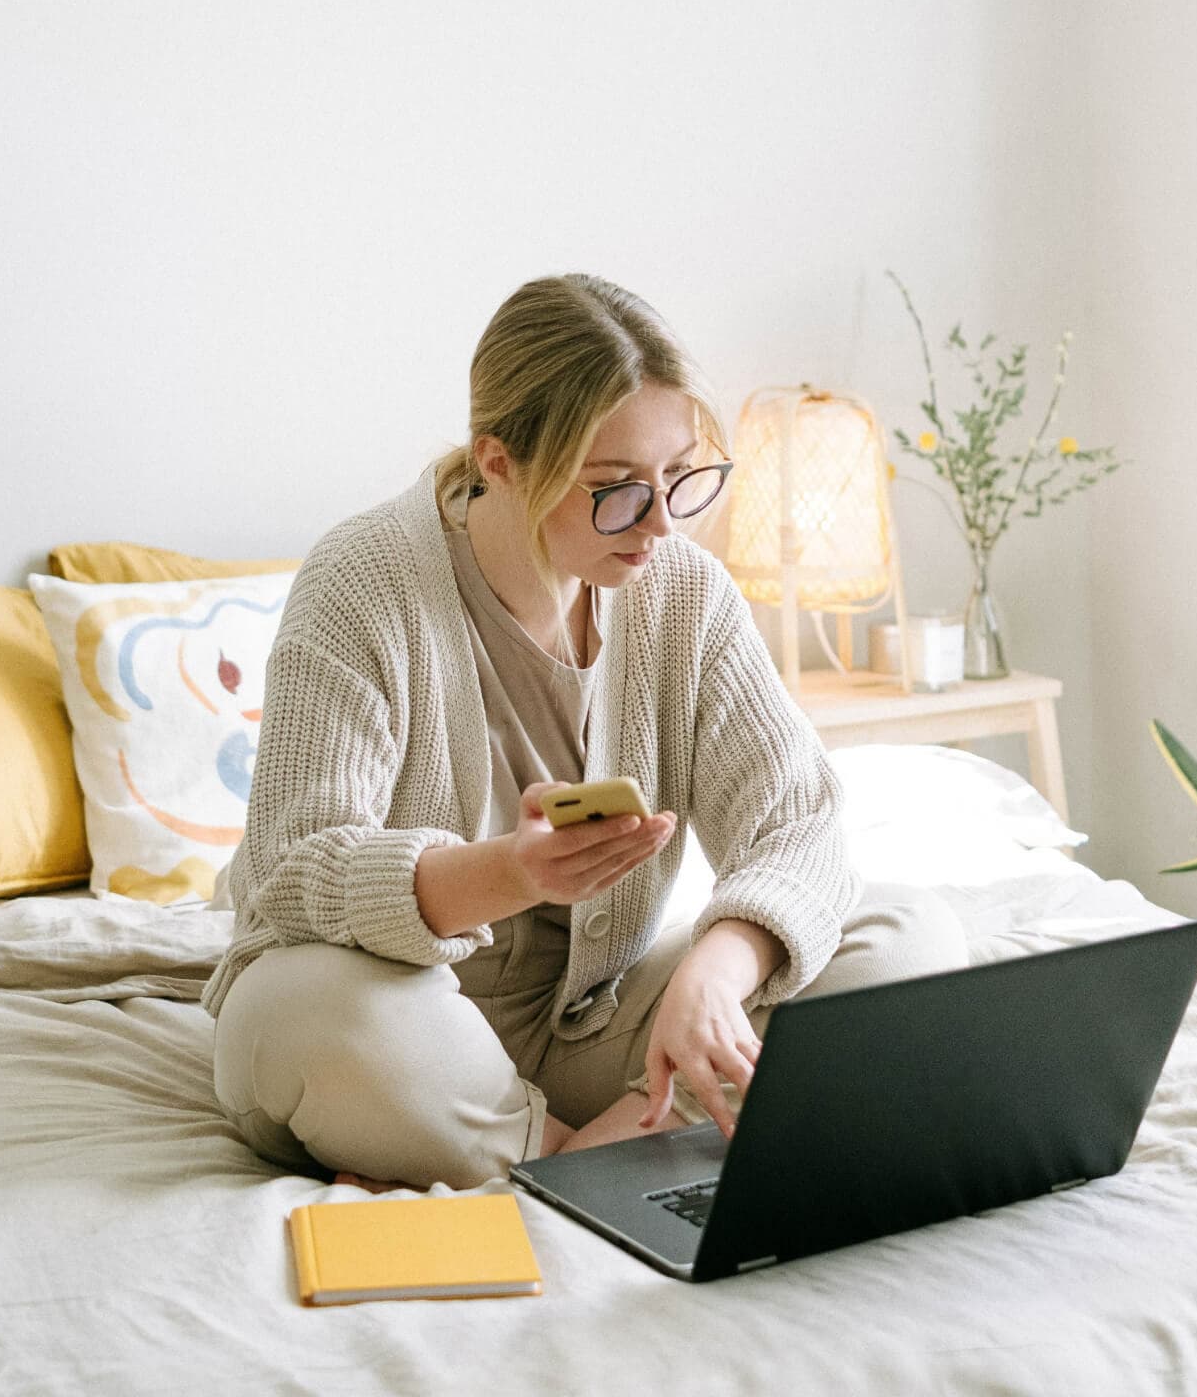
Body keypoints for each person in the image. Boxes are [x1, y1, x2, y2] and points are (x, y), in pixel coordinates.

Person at [204, 273, 968, 1191]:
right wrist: (511, 873)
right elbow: (293, 868)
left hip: (590, 1030)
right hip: (400, 1027)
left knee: (906, 933)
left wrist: (718, 973)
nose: (658, 525)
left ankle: (583, 1156)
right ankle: (620, 1150)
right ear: (500, 462)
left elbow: (796, 824)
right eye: (613, 490)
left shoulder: (682, 591)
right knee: (302, 1012)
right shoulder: (360, 584)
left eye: (680, 478)